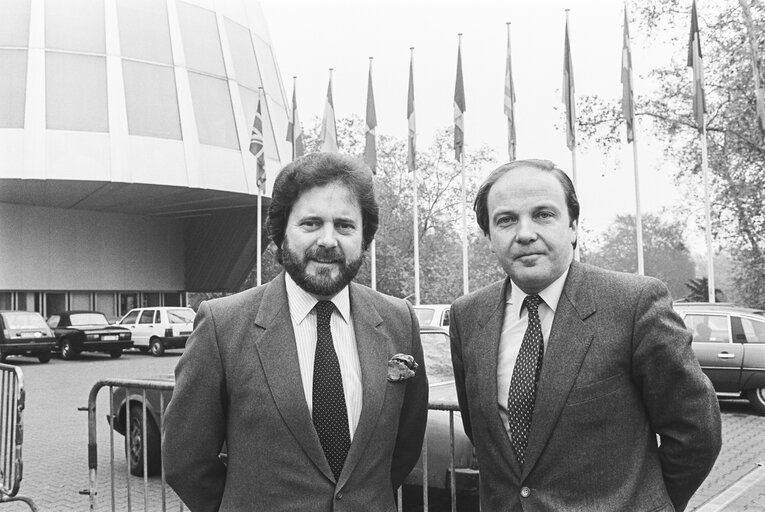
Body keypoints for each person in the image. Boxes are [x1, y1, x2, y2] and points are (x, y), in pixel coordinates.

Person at [450, 159, 721, 512]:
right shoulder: (467, 315)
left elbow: (695, 431)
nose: (525, 233)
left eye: (544, 215)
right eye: (506, 220)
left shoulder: (634, 304)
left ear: (574, 226)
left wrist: (646, 502)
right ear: (488, 237)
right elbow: (482, 431)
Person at [163, 152, 428, 512]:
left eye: (345, 226)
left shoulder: (399, 319)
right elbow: (185, 459)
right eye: (311, 223)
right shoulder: (222, 324)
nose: (328, 240)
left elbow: (404, 447)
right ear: (280, 235)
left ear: (364, 239)